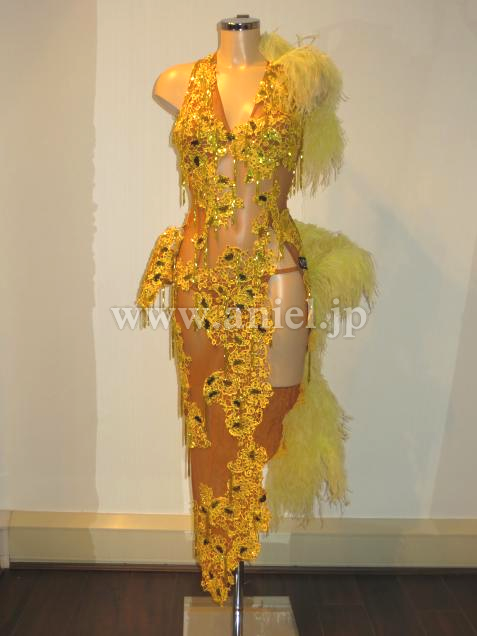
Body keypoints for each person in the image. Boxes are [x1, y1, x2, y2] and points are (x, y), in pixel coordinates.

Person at [136, 17, 378, 605]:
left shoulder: (297, 83)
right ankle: (222, 560)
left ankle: (242, 539)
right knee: (208, 425)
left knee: (271, 412)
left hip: (275, 280)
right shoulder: (176, 82)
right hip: (199, 281)